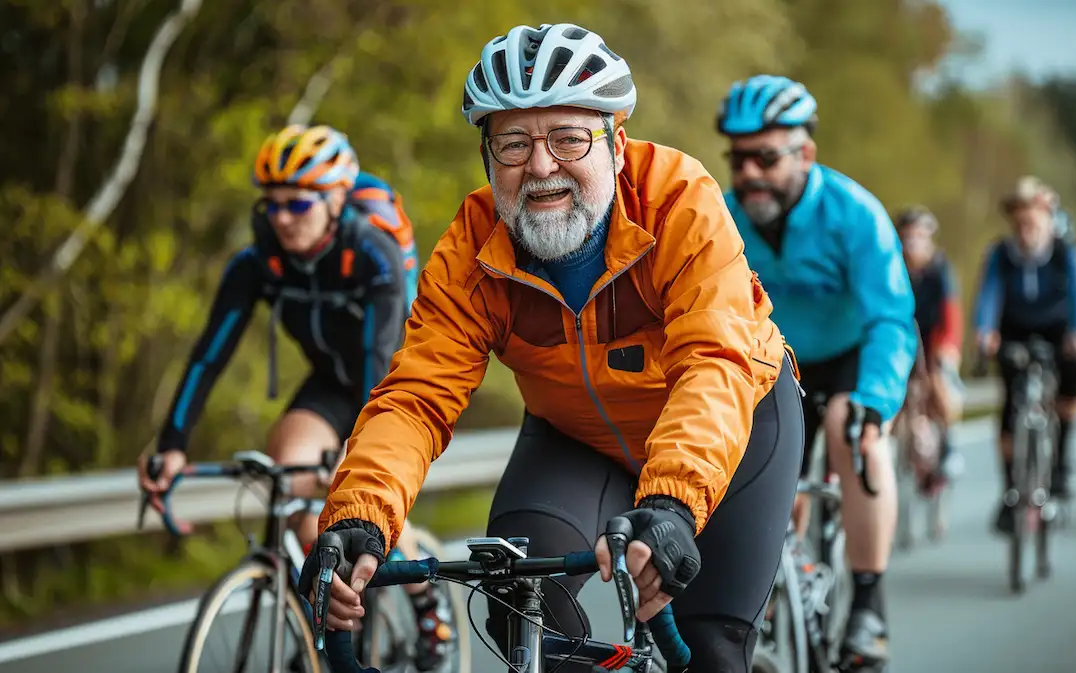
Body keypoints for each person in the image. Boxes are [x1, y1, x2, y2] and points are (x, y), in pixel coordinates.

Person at [301, 23, 804, 673]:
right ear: (488, 158)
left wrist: (673, 503)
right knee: (520, 607)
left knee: (709, 649)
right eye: (513, 143)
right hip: (576, 437)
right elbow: (417, 397)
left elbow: (715, 359)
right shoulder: (472, 245)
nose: (541, 167)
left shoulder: (680, 200)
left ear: (616, 147)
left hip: (736, 430)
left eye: (568, 137)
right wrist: (357, 517)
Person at [136, 125, 451, 670]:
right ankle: (330, 622)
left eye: (298, 202)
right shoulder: (257, 262)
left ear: (334, 200)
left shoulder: (371, 255)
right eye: (272, 204)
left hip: (390, 384)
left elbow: (379, 367)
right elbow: (209, 355)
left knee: (356, 503)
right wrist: (172, 442)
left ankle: (426, 598)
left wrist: (358, 454)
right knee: (290, 475)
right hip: (330, 381)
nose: (282, 217)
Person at [716, 74, 918, 668]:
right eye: (738, 158)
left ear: (805, 154)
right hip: (775, 367)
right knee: (762, 472)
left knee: (852, 436)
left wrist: (874, 403)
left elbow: (892, 320)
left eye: (766, 157)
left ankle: (869, 606)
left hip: (852, 358)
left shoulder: (855, 214)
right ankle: (776, 584)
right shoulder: (721, 219)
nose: (749, 172)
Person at [973, 175, 1076, 533]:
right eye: (1019, 220)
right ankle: (1012, 489)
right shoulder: (1000, 254)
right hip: (1015, 330)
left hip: (1059, 332)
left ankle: (1060, 468)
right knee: (1011, 407)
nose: (1025, 227)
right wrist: (985, 331)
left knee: (1070, 386)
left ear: (1047, 218)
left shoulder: (1065, 253)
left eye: (1032, 219)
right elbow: (989, 295)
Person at [895, 206, 965, 496]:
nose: (913, 244)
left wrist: (947, 347)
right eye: (908, 238)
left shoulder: (940, 270)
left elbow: (951, 314)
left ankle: (949, 446)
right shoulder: (893, 267)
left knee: (939, 384)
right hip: (902, 335)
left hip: (934, 338)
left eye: (919, 237)